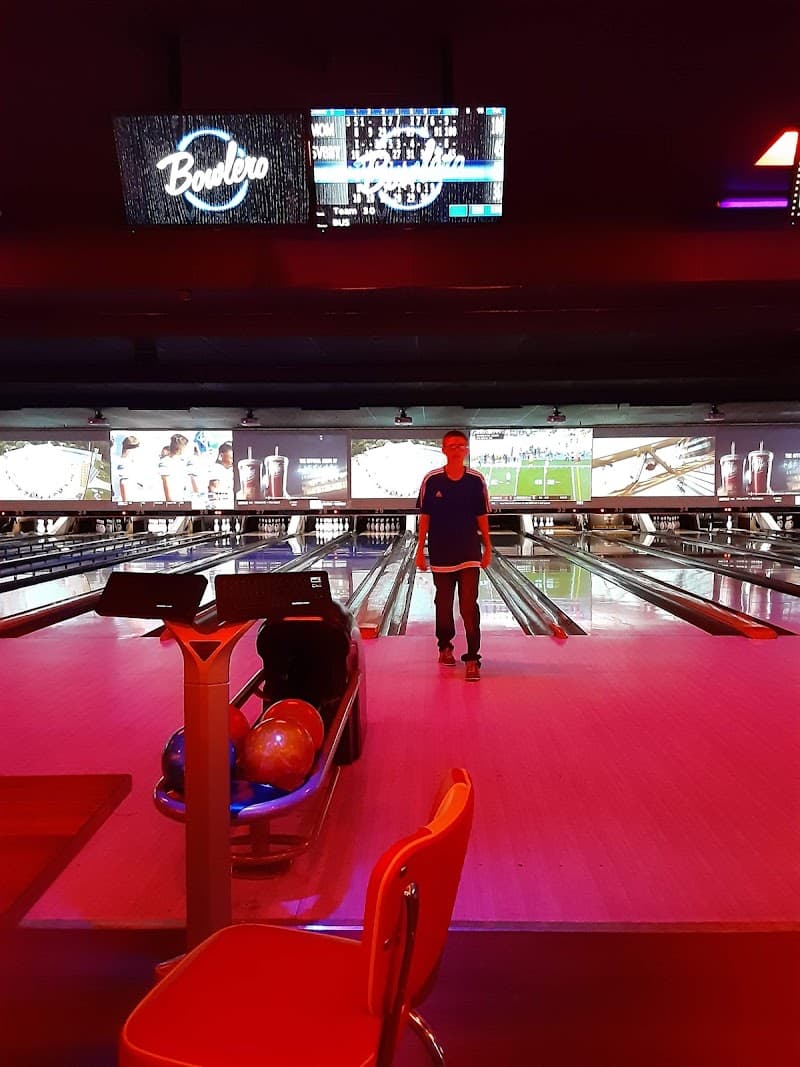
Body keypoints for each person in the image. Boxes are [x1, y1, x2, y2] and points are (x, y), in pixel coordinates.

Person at [415, 429, 491, 682]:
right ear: (444, 449)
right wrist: (419, 550)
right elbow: (424, 517)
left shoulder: (476, 480)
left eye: (461, 445)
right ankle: (445, 646)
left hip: (469, 552)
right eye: (452, 445)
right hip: (440, 553)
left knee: (469, 606)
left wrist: (488, 548)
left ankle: (472, 658)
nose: (457, 448)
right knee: (443, 605)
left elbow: (482, 517)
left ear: (466, 450)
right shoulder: (432, 480)